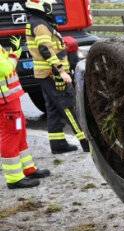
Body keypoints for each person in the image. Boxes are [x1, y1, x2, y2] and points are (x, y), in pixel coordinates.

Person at [24, 0, 88, 154]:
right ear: (42, 7)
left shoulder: (37, 22)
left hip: (46, 73)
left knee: (53, 108)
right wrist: (61, 71)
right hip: (52, 73)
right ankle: (85, 141)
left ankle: (57, 143)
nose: (51, 8)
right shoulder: (40, 24)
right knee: (67, 106)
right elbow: (45, 49)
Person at [0, 37, 50, 189]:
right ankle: (14, 178)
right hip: (5, 102)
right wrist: (14, 56)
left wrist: (10, 54)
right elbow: (4, 69)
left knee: (20, 132)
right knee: (11, 135)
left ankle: (28, 169)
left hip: (11, 99)